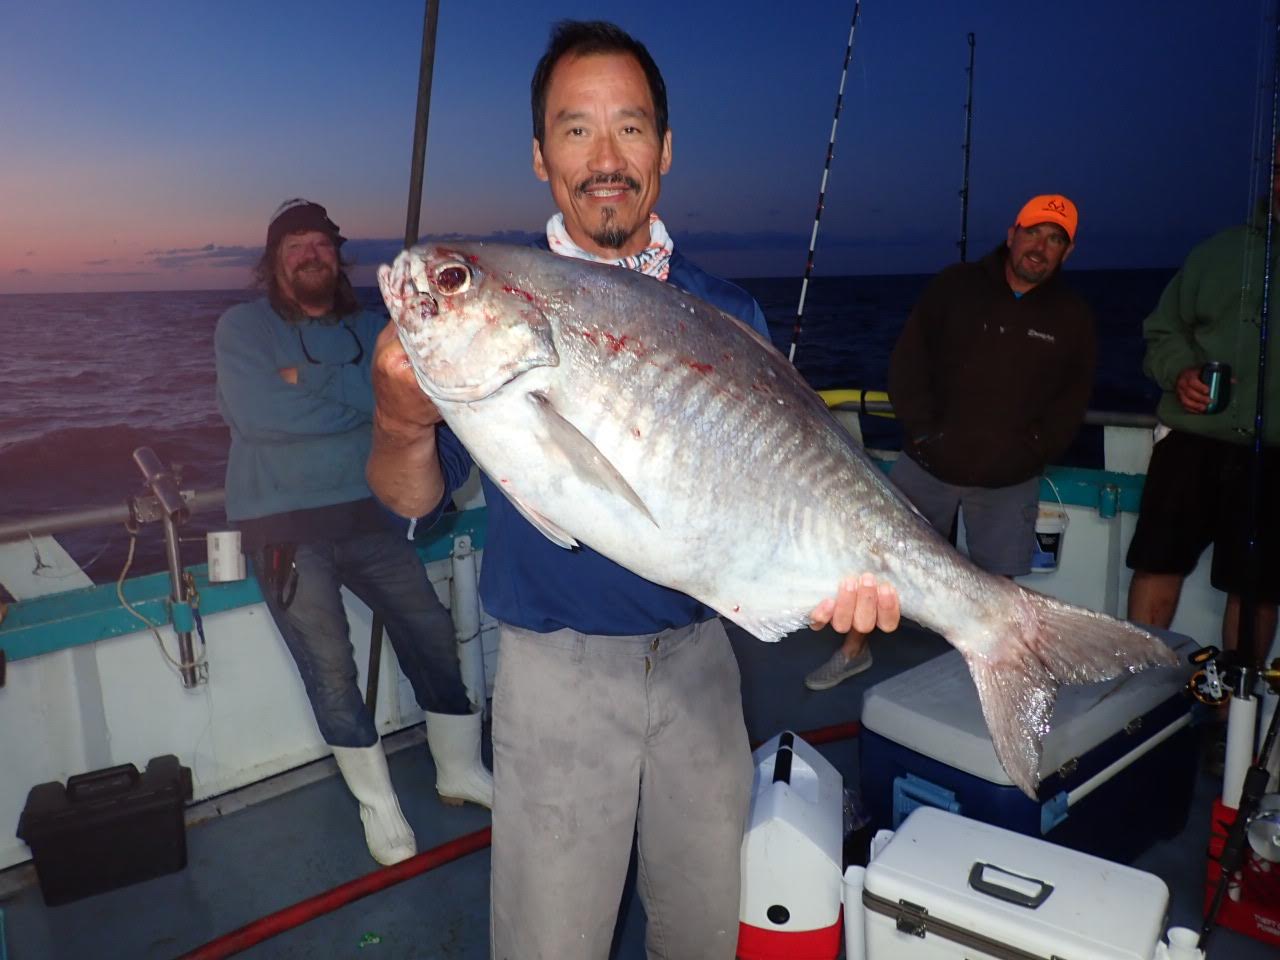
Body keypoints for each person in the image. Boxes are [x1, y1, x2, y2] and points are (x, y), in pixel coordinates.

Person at [366, 21, 899, 960]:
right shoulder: (494, 318)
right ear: (539, 155)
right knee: (552, 941)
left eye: (631, 128)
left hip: (703, 663)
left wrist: (848, 580)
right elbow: (412, 502)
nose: (605, 158)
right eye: (576, 130)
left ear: (664, 148)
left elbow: (778, 494)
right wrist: (402, 418)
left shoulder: (726, 309)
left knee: (701, 930)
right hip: (557, 674)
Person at [214, 199, 493, 867]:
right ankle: (379, 803)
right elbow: (257, 414)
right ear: (274, 260)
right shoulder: (241, 328)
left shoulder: (375, 324)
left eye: (321, 244)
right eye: (295, 245)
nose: (311, 254)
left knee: (430, 633)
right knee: (332, 667)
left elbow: (419, 396)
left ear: (336, 257)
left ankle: (458, 771)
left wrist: (308, 380)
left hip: (371, 513)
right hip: (283, 526)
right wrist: (364, 394)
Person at [806, 195, 1097, 692]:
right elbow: (907, 364)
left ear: (1066, 254)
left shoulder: (1073, 318)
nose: (1040, 247)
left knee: (1000, 587)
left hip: (1009, 479)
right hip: (928, 465)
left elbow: (1072, 403)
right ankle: (854, 650)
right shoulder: (955, 286)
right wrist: (923, 433)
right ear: (1012, 234)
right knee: (876, 563)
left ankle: (998, 676)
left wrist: (1032, 452)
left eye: (1055, 240)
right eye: (1033, 232)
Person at [1126, 159, 1280, 671]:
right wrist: (1180, 371)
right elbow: (1162, 331)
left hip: (1273, 450)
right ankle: (1139, 690)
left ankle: (1232, 717)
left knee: (1256, 588)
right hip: (1192, 439)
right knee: (1156, 565)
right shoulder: (1216, 252)